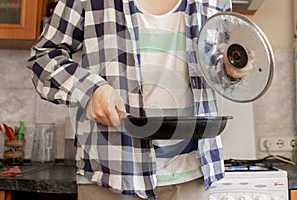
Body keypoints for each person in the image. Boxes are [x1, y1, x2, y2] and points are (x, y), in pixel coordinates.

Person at [27, 0, 251, 199]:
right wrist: (90, 89)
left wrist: (232, 71)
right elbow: (43, 57)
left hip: (191, 172)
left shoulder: (217, 1)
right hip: (111, 172)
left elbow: (218, 73)